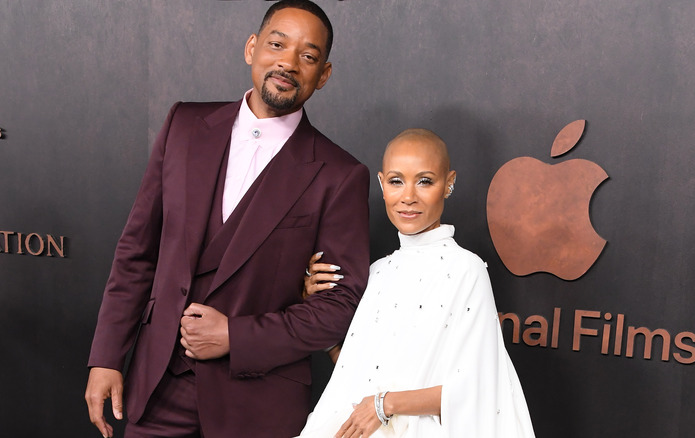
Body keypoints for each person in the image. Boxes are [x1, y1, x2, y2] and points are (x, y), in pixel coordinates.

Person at [84, 1, 370, 437]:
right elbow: (137, 252)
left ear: (324, 74)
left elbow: (338, 307)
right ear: (252, 48)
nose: (288, 63)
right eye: (277, 44)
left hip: (258, 405)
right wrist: (106, 355)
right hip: (157, 385)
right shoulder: (183, 124)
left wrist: (237, 336)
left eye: (308, 56)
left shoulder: (339, 174)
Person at [297, 129, 535, 437]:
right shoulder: (378, 272)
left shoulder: (466, 269)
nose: (408, 196)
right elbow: (359, 375)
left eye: (424, 181)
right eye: (396, 181)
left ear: (448, 183)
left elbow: (476, 389)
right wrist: (318, 315)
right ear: (382, 184)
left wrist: (384, 405)